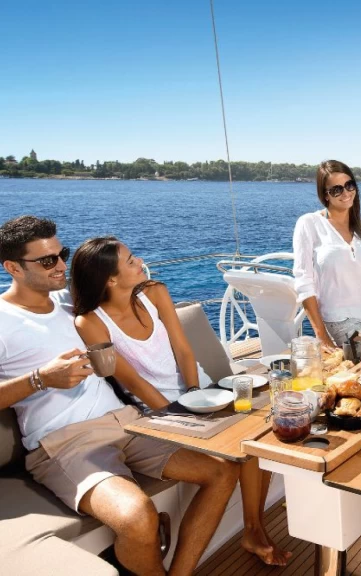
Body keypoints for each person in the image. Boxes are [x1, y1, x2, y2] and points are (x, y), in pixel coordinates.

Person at [0, 216, 240, 576]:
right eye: (48, 261)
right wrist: (40, 379)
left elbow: (116, 287)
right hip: (66, 442)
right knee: (137, 516)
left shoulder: (69, 301)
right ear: (13, 268)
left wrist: (144, 283)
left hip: (129, 423)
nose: (61, 266)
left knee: (223, 470)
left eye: (61, 254)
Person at [69, 236, 290, 567]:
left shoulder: (154, 292)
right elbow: (132, 380)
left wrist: (192, 393)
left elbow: (184, 350)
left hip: (198, 391)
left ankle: (253, 529)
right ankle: (254, 532)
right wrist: (176, 415)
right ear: (110, 279)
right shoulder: (91, 322)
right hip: (157, 408)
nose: (140, 261)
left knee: (258, 437)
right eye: (130, 261)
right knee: (240, 447)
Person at [292, 160, 361, 349]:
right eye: (337, 189)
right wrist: (320, 335)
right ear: (325, 195)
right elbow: (303, 282)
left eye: (349, 185)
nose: (346, 193)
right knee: (359, 371)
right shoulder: (309, 224)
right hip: (340, 318)